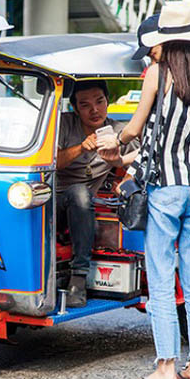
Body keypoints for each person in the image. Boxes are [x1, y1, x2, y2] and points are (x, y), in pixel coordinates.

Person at [98, 3, 190, 379]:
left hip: (167, 189)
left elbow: (136, 128)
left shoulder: (157, 72)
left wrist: (115, 141)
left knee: (160, 276)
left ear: (166, 40)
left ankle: (166, 366)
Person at [56, 80, 138, 308]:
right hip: (55, 201)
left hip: (85, 202)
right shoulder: (63, 125)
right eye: (85, 105)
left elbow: (143, 157)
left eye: (99, 102)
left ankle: (78, 279)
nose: (94, 110)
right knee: (78, 193)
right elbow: (52, 161)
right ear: (75, 108)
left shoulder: (119, 132)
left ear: (107, 102)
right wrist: (81, 147)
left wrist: (126, 179)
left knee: (82, 194)